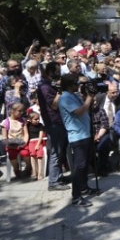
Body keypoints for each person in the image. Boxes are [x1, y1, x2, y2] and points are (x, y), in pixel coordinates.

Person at [57, 74, 97, 207]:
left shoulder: (74, 95)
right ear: (69, 84)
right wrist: (89, 98)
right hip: (77, 137)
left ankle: (84, 188)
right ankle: (76, 196)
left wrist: (88, 97)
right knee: (79, 167)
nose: (78, 85)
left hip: (85, 134)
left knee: (85, 165)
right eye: (76, 83)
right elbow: (79, 111)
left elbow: (86, 108)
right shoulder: (64, 98)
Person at [36, 62, 71, 191]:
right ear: (50, 71)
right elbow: (54, 105)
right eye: (57, 71)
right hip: (54, 123)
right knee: (56, 152)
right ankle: (53, 182)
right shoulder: (45, 87)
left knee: (60, 152)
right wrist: (61, 90)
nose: (59, 73)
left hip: (60, 122)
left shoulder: (50, 85)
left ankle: (59, 177)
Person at [2, 102, 29, 179]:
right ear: (12, 111)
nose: (21, 113)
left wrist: (24, 142)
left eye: (22, 111)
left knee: (25, 153)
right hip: (11, 144)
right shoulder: (5, 122)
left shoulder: (23, 121)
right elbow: (4, 137)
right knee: (12, 154)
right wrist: (9, 144)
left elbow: (26, 134)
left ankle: (28, 168)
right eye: (19, 111)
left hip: (22, 143)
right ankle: (16, 169)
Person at [25, 111, 46, 180]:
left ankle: (40, 172)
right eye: (35, 119)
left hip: (38, 141)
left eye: (38, 119)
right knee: (32, 154)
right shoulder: (28, 125)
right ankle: (34, 171)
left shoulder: (40, 125)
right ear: (30, 120)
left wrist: (38, 144)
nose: (37, 120)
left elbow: (41, 135)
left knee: (40, 155)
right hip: (31, 142)